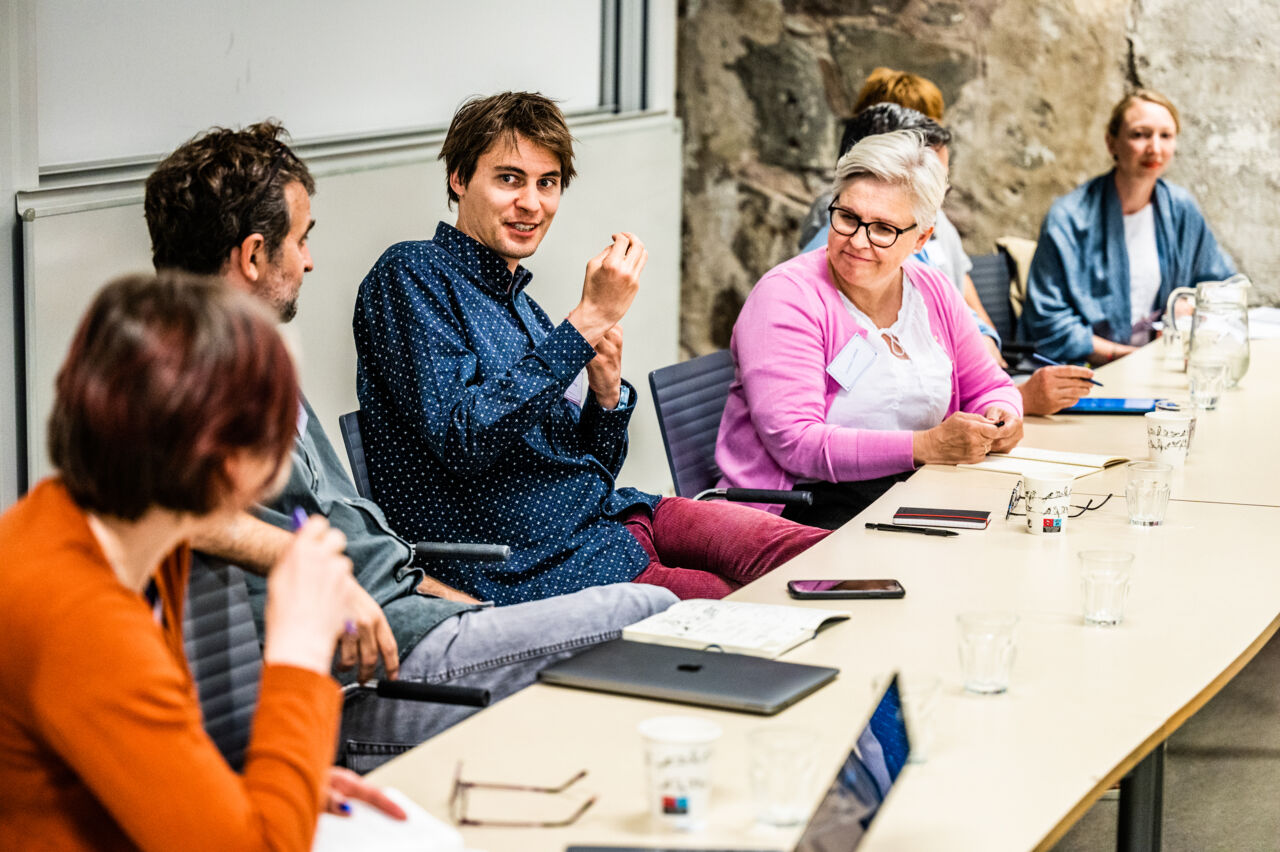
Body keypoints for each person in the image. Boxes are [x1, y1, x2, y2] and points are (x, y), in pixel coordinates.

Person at [144, 122, 677, 769]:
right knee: (652, 613)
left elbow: (346, 525)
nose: (309, 260)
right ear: (255, 255)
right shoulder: (180, 374)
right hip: (353, 681)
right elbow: (164, 504)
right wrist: (324, 578)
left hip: (412, 616)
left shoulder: (251, 362)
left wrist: (427, 589)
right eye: (301, 240)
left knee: (661, 629)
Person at [353, 92, 829, 604]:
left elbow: (594, 466)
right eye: (509, 179)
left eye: (547, 183)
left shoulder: (525, 310)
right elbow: (464, 440)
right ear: (460, 178)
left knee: (824, 557)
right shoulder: (409, 274)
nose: (532, 203)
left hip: (618, 520)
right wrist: (582, 327)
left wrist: (606, 399)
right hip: (535, 565)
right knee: (747, 606)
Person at [0, 272, 403, 849]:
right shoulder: (81, 619)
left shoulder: (106, 529)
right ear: (225, 461)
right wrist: (298, 652)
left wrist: (270, 788)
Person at [716, 130, 1025, 529]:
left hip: (911, 493)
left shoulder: (932, 290)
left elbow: (989, 386)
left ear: (921, 238)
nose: (858, 241)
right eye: (847, 218)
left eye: (883, 229)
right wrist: (923, 447)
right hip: (799, 509)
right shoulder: (786, 297)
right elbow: (797, 443)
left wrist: (1002, 416)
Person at [799, 104, 1096, 416]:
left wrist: (996, 383)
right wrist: (1017, 398)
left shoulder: (931, 245)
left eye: (941, 184)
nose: (937, 197)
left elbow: (970, 343)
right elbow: (861, 411)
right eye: (929, 180)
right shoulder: (837, 265)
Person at [1021, 89, 1235, 365]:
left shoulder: (1181, 208)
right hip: (1087, 372)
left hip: (1164, 367)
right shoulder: (1068, 217)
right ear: (1112, 143)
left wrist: (1191, 305)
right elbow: (1049, 322)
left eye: (1165, 136)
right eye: (1140, 135)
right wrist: (1132, 358)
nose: (1155, 148)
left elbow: (1220, 284)